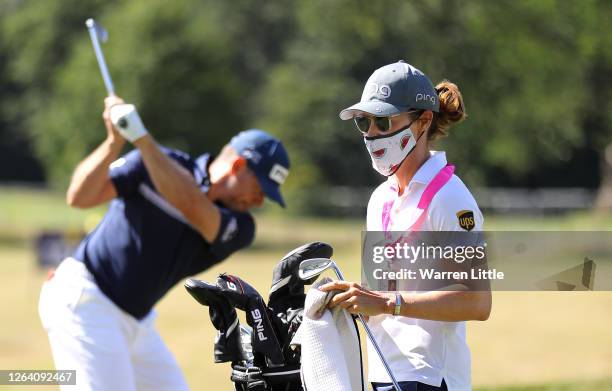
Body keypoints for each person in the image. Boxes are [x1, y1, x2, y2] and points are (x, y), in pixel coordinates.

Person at [38, 95, 290, 391]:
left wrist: (143, 141)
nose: (260, 202)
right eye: (261, 190)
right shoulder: (155, 164)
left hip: (136, 320)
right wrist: (114, 142)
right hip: (87, 300)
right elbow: (79, 197)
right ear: (236, 166)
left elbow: (193, 206)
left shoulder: (242, 226)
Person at [321, 60, 492, 391]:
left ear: (423, 121)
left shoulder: (451, 198)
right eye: (363, 122)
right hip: (384, 371)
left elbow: (477, 302)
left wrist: (388, 303)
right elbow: (380, 294)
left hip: (431, 377)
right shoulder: (379, 199)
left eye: (383, 121)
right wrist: (348, 300)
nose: (372, 134)